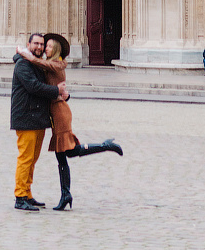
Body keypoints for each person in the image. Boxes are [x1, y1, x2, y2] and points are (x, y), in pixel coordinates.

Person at [18, 32, 123, 211]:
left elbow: (40, 64)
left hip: (59, 113)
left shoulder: (55, 64)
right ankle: (65, 195)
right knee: (61, 156)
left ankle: (105, 146)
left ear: (56, 49)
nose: (45, 48)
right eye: (45, 45)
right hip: (55, 110)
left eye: (49, 46)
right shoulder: (51, 64)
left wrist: (24, 53)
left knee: (70, 152)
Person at [10, 32, 66, 211]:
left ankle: (27, 193)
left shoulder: (36, 65)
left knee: (32, 159)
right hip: (26, 117)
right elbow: (33, 86)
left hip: (38, 118)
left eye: (42, 45)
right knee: (25, 159)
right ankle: (20, 196)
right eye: (36, 44)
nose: (40, 47)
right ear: (28, 44)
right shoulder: (23, 65)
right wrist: (55, 90)